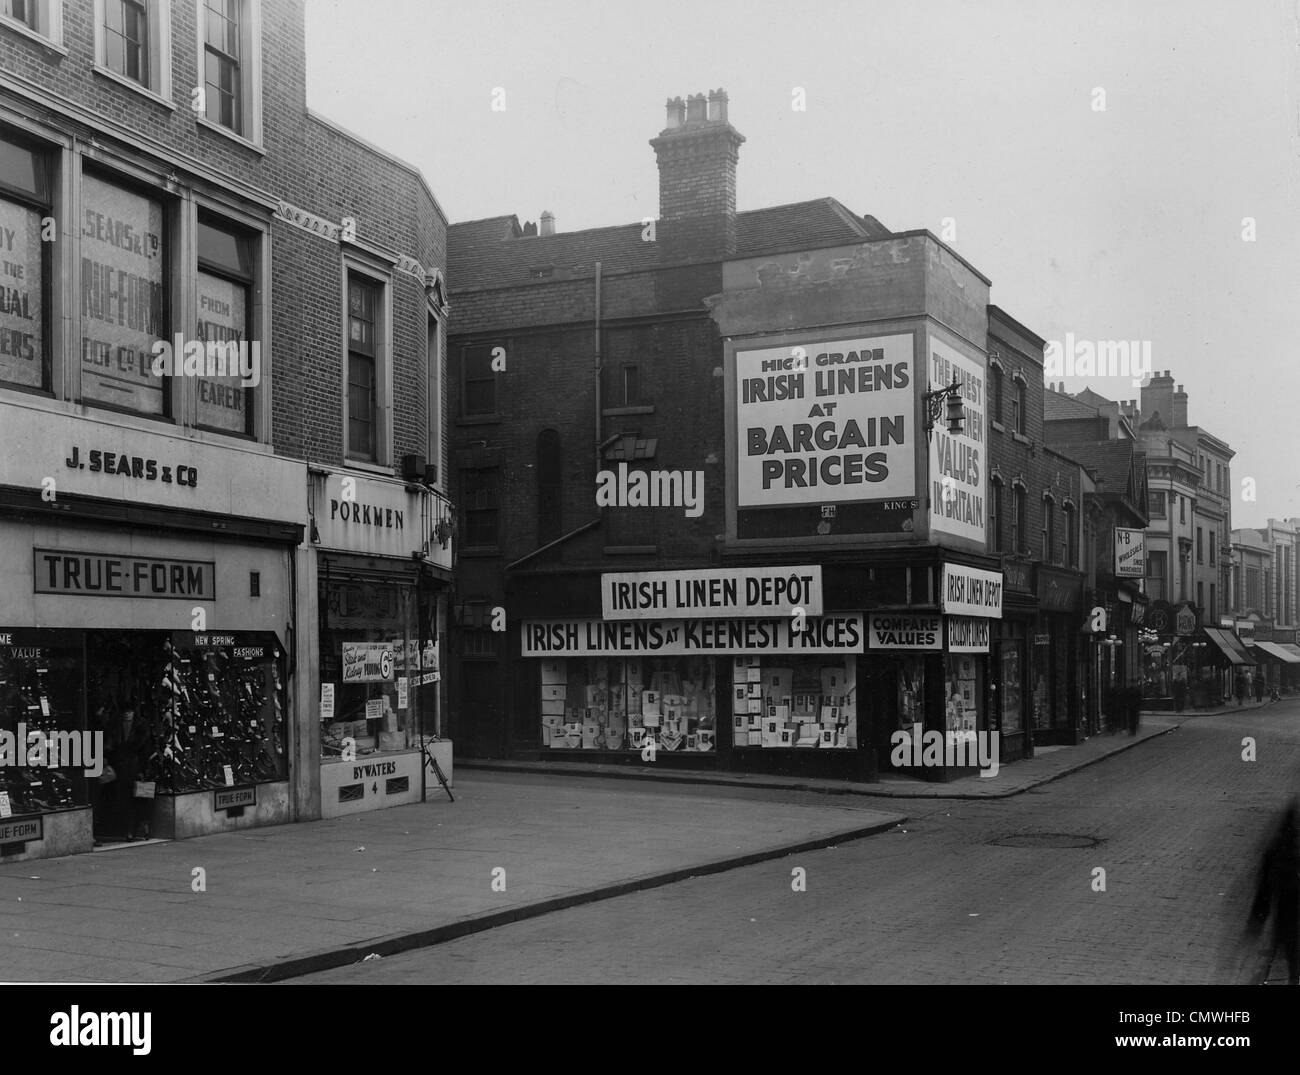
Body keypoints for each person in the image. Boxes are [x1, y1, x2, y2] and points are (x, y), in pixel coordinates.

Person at [1246, 799, 1300, 985]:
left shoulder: (1279, 847)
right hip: (1288, 914)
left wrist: (1258, 917)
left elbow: (1265, 886)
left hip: (1287, 915)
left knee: (1290, 949)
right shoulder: (1281, 849)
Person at [105, 707, 153, 841]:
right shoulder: (116, 726)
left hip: (137, 767)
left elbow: (145, 750)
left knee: (142, 798)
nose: (127, 713)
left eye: (129, 711)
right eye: (125, 711)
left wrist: (144, 769)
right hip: (123, 768)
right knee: (126, 800)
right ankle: (130, 830)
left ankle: (143, 828)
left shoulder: (141, 726)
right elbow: (111, 746)